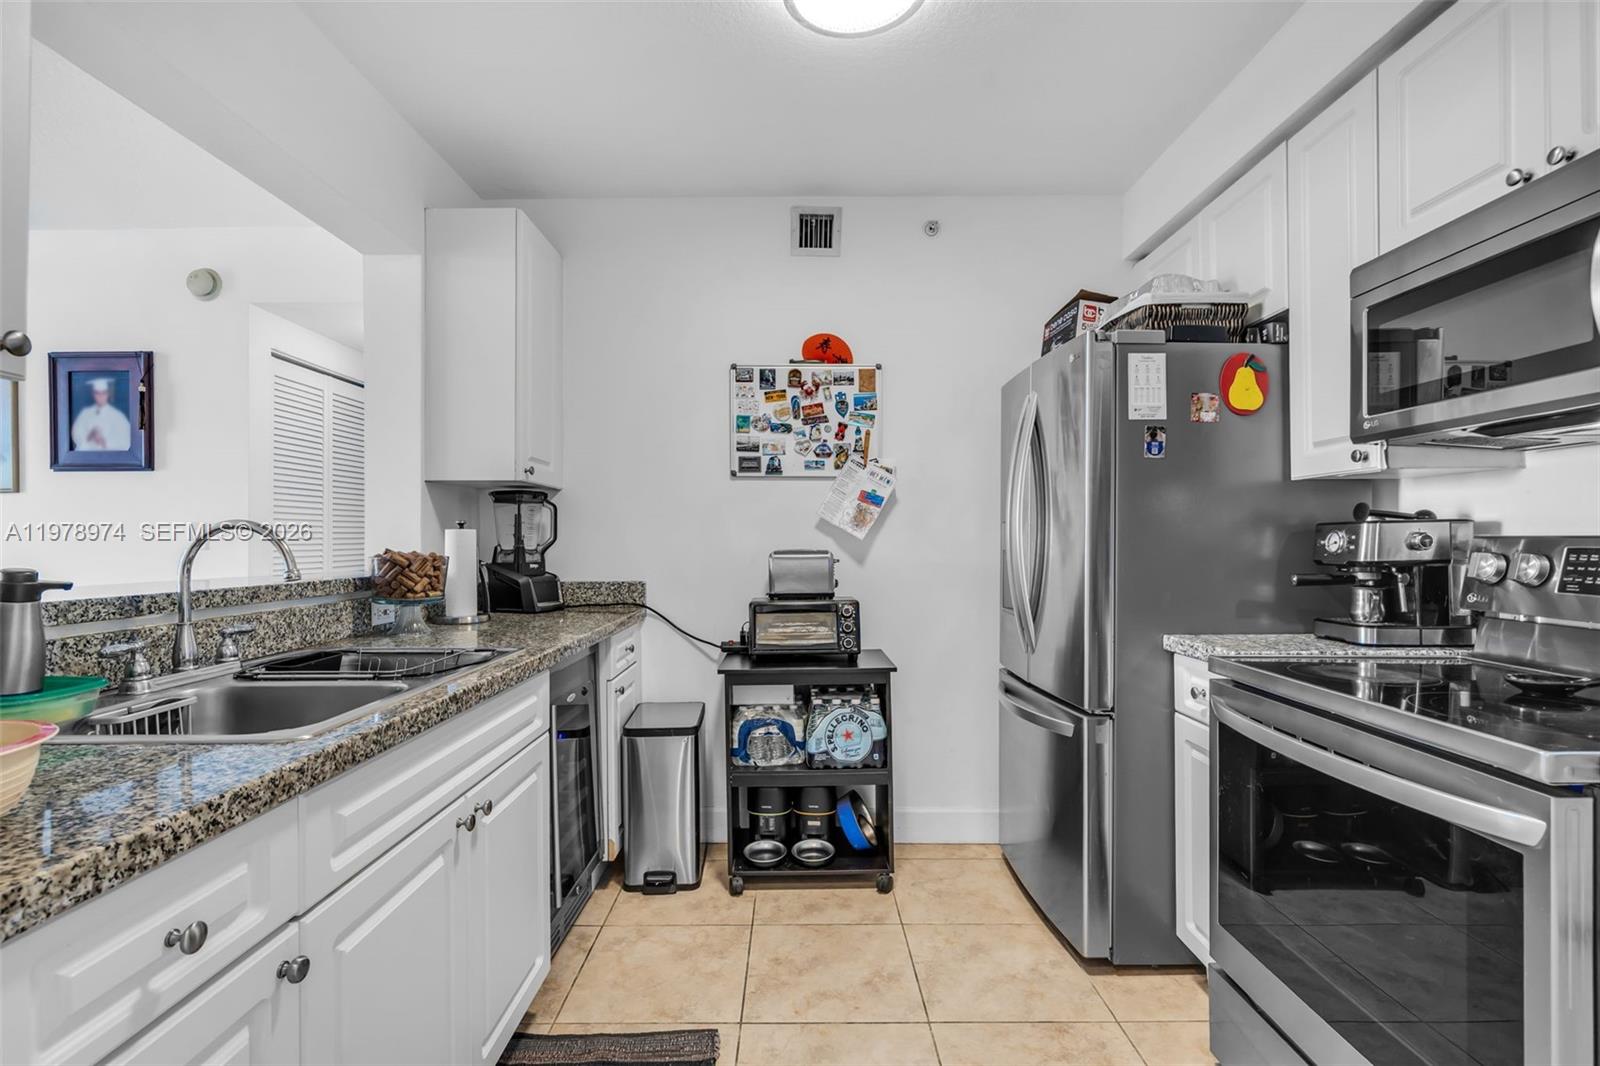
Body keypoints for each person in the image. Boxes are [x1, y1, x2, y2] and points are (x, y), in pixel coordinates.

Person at [71, 377, 131, 451]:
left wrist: (104, 442)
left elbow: (126, 441)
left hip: (110, 456)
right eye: (97, 393)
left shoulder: (118, 416)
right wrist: (90, 435)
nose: (100, 396)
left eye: (103, 393)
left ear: (108, 394)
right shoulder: (85, 413)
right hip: (87, 456)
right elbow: (76, 435)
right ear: (93, 394)